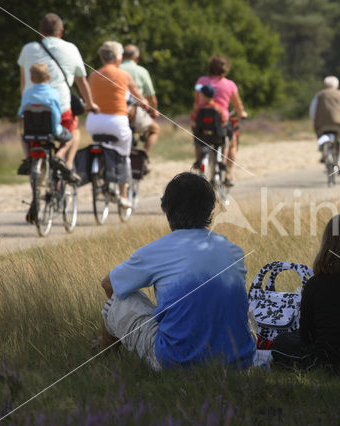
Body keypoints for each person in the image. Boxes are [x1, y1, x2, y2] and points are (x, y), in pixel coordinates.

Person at [99, 172, 255, 370]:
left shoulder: (156, 251)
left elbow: (108, 284)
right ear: (211, 210)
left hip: (176, 362)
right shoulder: (233, 250)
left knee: (114, 303)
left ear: (166, 209)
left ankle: (105, 363)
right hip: (239, 362)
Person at [270, 214, 340, 382]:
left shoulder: (315, 285)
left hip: (327, 364)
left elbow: (307, 337)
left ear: (327, 245)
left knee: (282, 341)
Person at [17, 12, 99, 178]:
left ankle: (30, 160)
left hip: (31, 111)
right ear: (61, 32)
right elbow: (81, 82)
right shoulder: (71, 49)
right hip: (61, 110)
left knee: (25, 131)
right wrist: (90, 103)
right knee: (74, 130)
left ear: (40, 31)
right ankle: (65, 162)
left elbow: (23, 84)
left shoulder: (27, 49)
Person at [86, 41, 148, 209]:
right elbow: (138, 97)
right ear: (118, 57)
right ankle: (122, 193)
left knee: (100, 145)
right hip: (116, 122)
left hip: (94, 122)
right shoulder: (124, 75)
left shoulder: (94, 75)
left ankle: (102, 173)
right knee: (124, 155)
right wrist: (146, 105)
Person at [19, 63, 74, 224]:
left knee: (22, 137)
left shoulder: (27, 93)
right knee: (70, 138)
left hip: (31, 134)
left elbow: (22, 112)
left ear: (31, 78)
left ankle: (28, 157)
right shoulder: (53, 93)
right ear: (48, 77)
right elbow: (56, 114)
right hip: (51, 132)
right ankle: (58, 156)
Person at [193, 54, 248, 187]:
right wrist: (242, 113)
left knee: (197, 135)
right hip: (219, 126)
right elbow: (238, 106)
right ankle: (228, 174)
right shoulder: (230, 85)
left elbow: (196, 103)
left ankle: (199, 159)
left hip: (202, 123)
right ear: (226, 69)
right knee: (232, 142)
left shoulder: (201, 82)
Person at [119, 44, 160, 154]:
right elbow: (151, 97)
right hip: (134, 112)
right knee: (155, 129)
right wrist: (153, 111)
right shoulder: (141, 71)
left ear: (122, 56)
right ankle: (144, 157)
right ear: (136, 58)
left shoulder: (115, 68)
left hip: (115, 110)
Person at [309, 76, 340, 171]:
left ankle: (323, 151)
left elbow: (313, 109)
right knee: (339, 141)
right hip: (338, 124)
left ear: (325, 85)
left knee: (319, 135)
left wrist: (314, 119)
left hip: (322, 124)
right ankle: (339, 162)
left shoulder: (319, 95)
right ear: (336, 85)